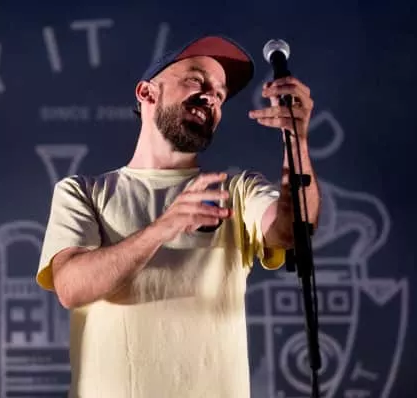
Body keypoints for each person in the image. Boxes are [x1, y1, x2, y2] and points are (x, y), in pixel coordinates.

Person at [35, 35, 320, 398]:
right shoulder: (82, 192)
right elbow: (72, 287)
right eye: (196, 80)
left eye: (220, 94)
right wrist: (162, 228)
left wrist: (297, 141)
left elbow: (293, 229)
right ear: (146, 92)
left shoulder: (237, 191)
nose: (211, 96)